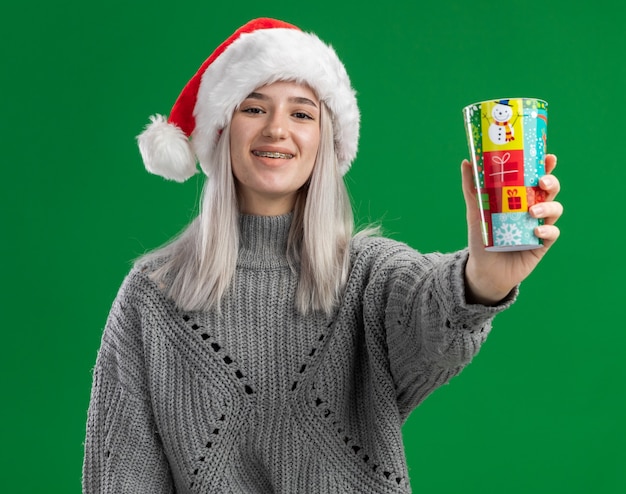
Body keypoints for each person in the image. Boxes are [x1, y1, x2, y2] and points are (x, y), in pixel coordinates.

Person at [82, 17, 562, 493]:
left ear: (325, 142)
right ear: (221, 131)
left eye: (302, 113)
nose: (276, 129)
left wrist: (484, 278)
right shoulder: (152, 295)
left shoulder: (369, 275)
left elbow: (432, 311)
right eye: (253, 108)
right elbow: (122, 475)